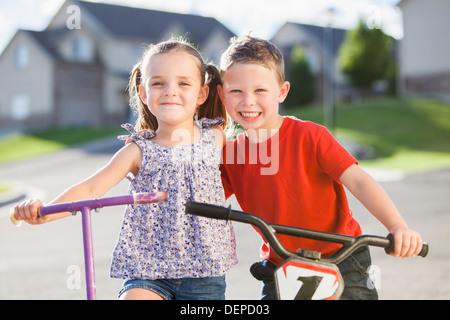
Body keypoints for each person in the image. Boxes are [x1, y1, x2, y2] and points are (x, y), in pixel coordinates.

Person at [12, 37, 238, 300]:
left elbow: (255, 169)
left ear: (201, 94)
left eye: (183, 83)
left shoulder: (216, 138)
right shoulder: (138, 150)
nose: (170, 91)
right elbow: (90, 187)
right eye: (158, 83)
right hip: (148, 268)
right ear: (143, 93)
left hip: (205, 271)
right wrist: (46, 212)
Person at [217, 35, 423, 300]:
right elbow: (201, 198)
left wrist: (397, 226)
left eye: (260, 90)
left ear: (281, 91)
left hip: (343, 258)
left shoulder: (310, 136)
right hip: (281, 264)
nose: (248, 101)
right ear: (222, 94)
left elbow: (358, 180)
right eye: (236, 91)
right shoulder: (230, 153)